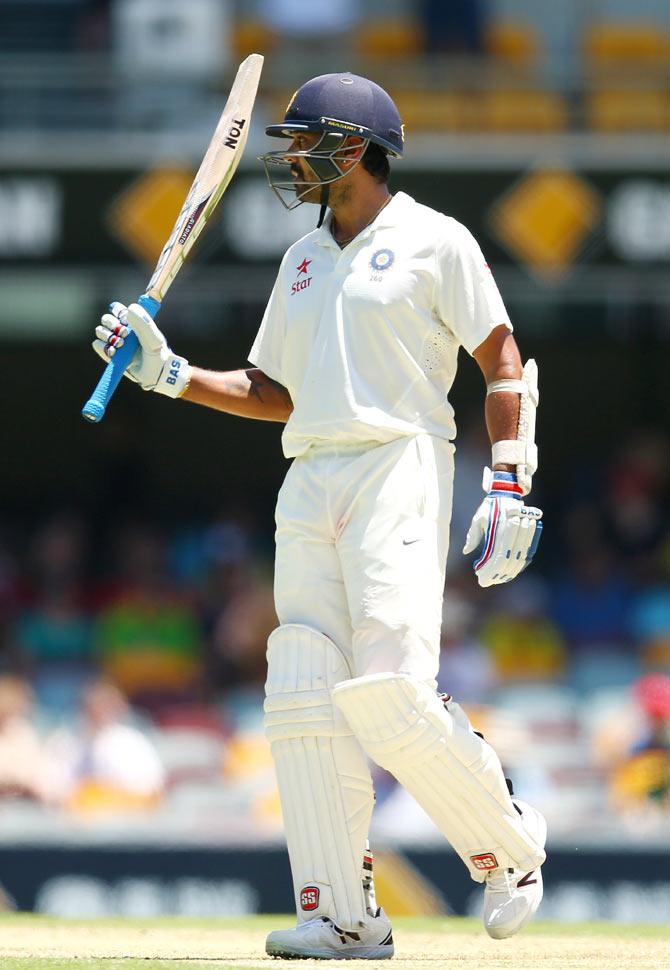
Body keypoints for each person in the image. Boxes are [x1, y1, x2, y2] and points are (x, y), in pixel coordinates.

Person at [92, 73, 545, 960]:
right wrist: (172, 374)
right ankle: (342, 916)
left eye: (305, 141)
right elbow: (276, 391)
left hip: (398, 464)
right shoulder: (301, 260)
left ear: (356, 148)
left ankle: (510, 848)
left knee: (388, 697)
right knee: (301, 690)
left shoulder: (433, 240)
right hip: (309, 478)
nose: (290, 157)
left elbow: (501, 359)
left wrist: (508, 481)